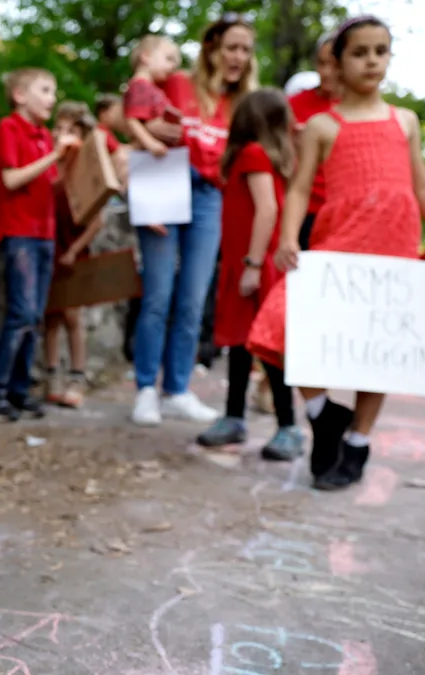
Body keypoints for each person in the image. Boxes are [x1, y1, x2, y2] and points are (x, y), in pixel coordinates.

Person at [247, 16, 425, 490]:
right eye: (359, 52)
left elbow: (424, 185)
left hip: (392, 246)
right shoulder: (321, 127)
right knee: (278, 324)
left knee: (379, 348)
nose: (372, 60)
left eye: (381, 51)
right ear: (336, 62)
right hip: (341, 243)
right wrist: (289, 237)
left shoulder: (405, 122)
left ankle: (357, 441)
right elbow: (298, 189)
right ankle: (322, 412)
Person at [128, 14, 259, 426]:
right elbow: (127, 115)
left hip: (210, 196)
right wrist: (148, 138)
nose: (238, 56)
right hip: (165, 179)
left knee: (192, 299)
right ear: (212, 49)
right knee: (158, 294)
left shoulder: (244, 105)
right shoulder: (176, 82)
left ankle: (178, 389)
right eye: (231, 46)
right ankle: (146, 388)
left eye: (245, 49)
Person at [196, 88, 304, 458]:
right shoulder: (259, 156)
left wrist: (253, 265)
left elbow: (268, 210)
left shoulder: (253, 154)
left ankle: (289, 426)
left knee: (266, 347)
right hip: (246, 264)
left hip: (254, 265)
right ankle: (233, 418)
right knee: (241, 344)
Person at [0, 68, 79, 422]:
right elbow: (11, 177)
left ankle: (19, 392)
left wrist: (66, 161)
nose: (52, 98)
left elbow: (50, 186)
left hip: (44, 234)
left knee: (34, 318)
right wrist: (54, 156)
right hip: (19, 232)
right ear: (20, 95)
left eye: (53, 90)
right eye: (45, 90)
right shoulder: (9, 128)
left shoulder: (43, 136)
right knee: (20, 315)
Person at [44, 103, 106, 408]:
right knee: (51, 316)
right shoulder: (52, 165)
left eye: (70, 130)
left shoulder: (85, 169)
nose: (62, 134)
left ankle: (77, 376)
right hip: (50, 247)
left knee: (72, 315)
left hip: (72, 249)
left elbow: (97, 222)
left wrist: (73, 250)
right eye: (59, 128)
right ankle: (51, 374)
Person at [288, 31, 341, 251]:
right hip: (303, 212)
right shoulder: (293, 104)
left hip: (342, 214)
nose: (326, 72)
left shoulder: (362, 111)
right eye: (321, 63)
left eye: (333, 65)